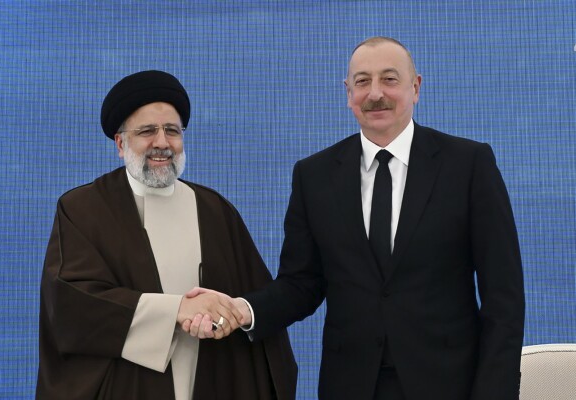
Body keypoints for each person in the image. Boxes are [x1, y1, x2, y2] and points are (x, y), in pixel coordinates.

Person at [185, 37, 525, 400]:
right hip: (349, 385)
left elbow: (503, 298)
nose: (375, 93)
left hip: (449, 384)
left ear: (416, 87)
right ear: (348, 93)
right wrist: (242, 309)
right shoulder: (313, 176)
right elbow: (301, 284)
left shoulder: (468, 164)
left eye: (389, 79)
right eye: (362, 81)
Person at [36, 70, 297, 400]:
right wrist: (176, 310)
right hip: (127, 386)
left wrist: (229, 315)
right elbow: (72, 304)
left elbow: (254, 295)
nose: (162, 143)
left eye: (172, 131)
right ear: (120, 143)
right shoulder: (83, 209)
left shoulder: (215, 210)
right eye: (147, 131)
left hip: (212, 379)